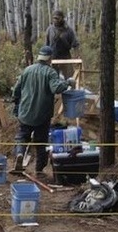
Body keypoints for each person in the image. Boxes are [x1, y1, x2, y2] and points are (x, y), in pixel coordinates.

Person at [11, 45, 74, 177]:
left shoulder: (27, 70)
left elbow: (16, 90)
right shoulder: (50, 72)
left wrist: (16, 105)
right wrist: (68, 82)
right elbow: (56, 88)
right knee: (41, 142)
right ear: (50, 58)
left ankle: (20, 154)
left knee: (22, 137)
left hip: (25, 112)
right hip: (42, 115)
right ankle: (39, 170)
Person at [45, 10, 80, 79]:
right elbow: (46, 45)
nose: (55, 20)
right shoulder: (50, 29)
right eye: (54, 18)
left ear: (62, 18)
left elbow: (75, 44)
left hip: (65, 57)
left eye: (57, 18)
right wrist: (45, 57)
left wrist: (77, 56)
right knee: (52, 78)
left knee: (70, 78)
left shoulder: (68, 30)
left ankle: (71, 89)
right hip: (53, 58)